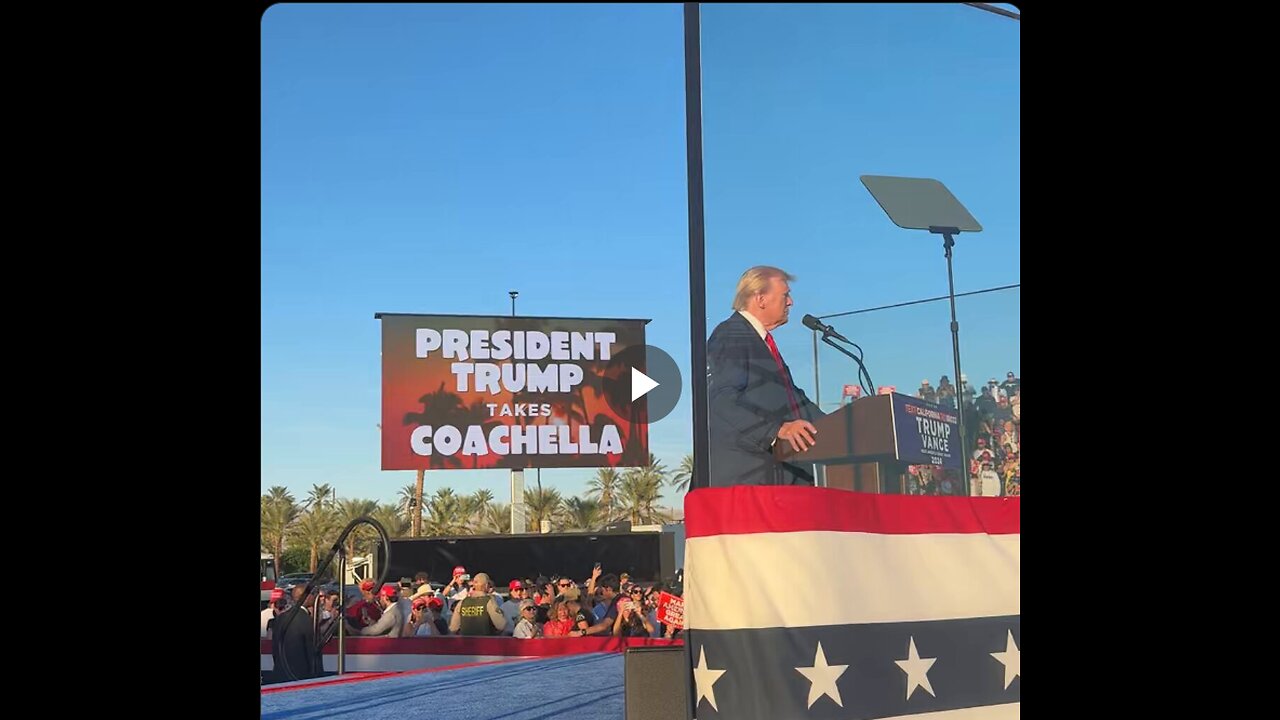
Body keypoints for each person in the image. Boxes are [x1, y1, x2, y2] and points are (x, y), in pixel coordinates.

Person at [708, 266, 824, 486]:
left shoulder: (763, 344)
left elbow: (796, 401)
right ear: (760, 299)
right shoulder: (732, 334)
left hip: (784, 482)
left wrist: (851, 425)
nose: (791, 302)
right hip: (750, 484)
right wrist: (777, 429)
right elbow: (722, 400)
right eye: (785, 294)